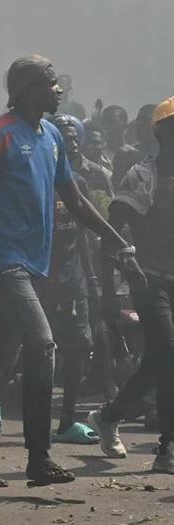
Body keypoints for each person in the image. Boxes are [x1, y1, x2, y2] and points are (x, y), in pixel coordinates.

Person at [0, 55, 143, 487]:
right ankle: (39, 456)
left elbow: (76, 199)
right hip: (4, 261)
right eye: (50, 83)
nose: (59, 89)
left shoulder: (51, 135)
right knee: (43, 345)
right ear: (27, 87)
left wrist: (116, 240)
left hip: (34, 266)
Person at [90, 97, 174, 474]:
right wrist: (111, 284)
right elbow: (112, 228)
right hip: (149, 278)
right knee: (170, 354)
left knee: (158, 361)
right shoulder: (144, 176)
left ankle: (110, 416)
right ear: (160, 132)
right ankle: (168, 448)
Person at [44, 115, 100, 446]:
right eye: (65, 137)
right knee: (22, 350)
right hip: (37, 280)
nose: (73, 142)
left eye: (75, 136)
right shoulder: (33, 179)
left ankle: (66, 421)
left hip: (72, 281)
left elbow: (81, 234)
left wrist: (90, 278)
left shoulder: (79, 182)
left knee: (78, 349)